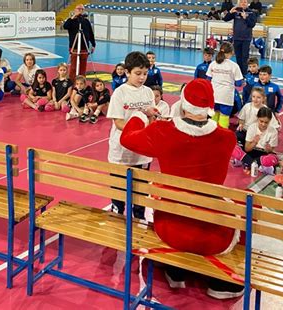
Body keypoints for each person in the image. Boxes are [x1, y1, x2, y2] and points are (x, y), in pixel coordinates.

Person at [120, 78, 244, 299]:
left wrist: (141, 116)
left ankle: (175, 268)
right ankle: (221, 281)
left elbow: (127, 139)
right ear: (209, 107)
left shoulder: (162, 130)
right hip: (214, 235)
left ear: (183, 103)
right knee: (247, 202)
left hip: (171, 227)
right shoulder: (227, 138)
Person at [106, 51, 155, 220]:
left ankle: (139, 221)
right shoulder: (120, 93)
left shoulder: (148, 92)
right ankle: (118, 223)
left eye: (145, 74)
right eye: (137, 73)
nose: (142, 77)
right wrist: (138, 131)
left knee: (140, 194)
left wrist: (151, 115)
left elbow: (151, 117)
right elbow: (118, 122)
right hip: (121, 152)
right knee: (119, 196)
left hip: (142, 154)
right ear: (127, 72)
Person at [206, 42, 243, 129]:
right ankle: (222, 136)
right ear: (231, 53)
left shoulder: (213, 64)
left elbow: (208, 79)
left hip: (214, 95)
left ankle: (211, 133)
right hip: (226, 96)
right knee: (224, 118)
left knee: (214, 116)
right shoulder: (234, 66)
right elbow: (239, 83)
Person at [232, 107, 279, 175]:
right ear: (257, 118)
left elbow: (270, 151)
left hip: (262, 155)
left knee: (272, 159)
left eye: (266, 122)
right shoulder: (252, 127)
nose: (263, 124)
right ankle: (259, 166)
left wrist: (269, 149)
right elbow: (247, 149)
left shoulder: (273, 131)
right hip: (251, 152)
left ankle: (247, 163)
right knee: (234, 149)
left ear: (270, 121)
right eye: (261, 121)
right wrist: (254, 142)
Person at [63, 4, 96, 82]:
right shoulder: (71, 20)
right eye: (78, 9)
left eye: (82, 9)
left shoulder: (86, 21)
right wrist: (72, 17)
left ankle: (81, 83)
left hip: (84, 47)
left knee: (83, 68)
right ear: (75, 10)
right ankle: (71, 83)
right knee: (73, 67)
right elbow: (65, 26)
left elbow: (90, 33)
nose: (80, 11)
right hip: (74, 47)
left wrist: (93, 44)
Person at [223, 0, 257, 75]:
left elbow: (252, 24)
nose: (243, 3)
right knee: (238, 57)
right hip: (237, 37)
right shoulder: (236, 11)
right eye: (241, 2)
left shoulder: (251, 12)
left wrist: (246, 18)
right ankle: (239, 74)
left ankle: (244, 74)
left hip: (246, 38)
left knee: (245, 57)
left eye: (245, 2)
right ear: (239, 3)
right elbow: (225, 19)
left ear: (247, 3)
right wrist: (230, 12)